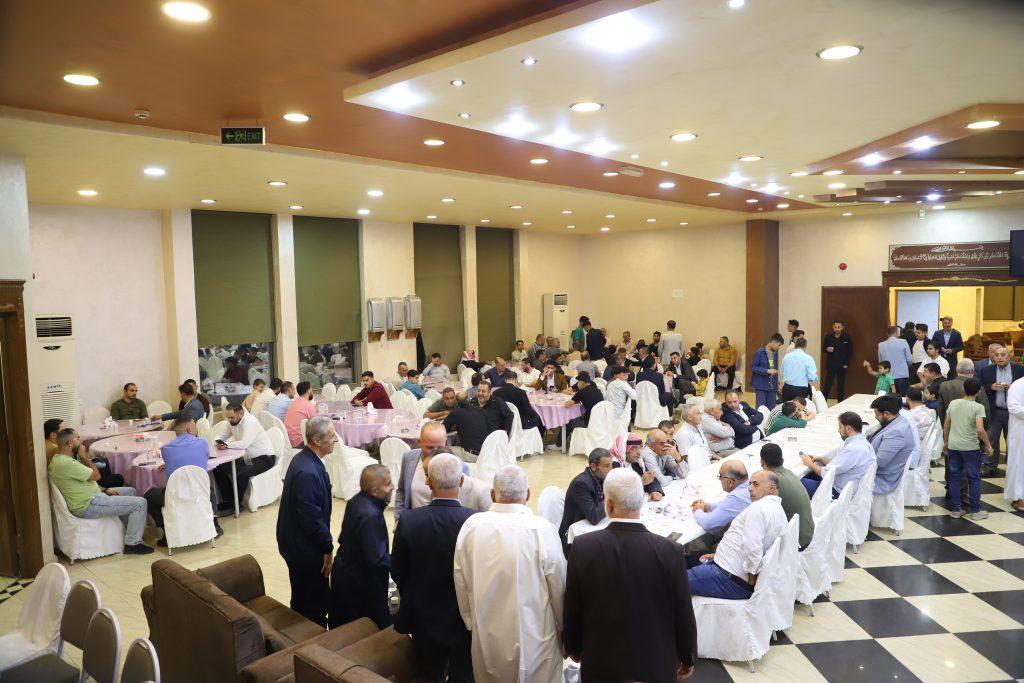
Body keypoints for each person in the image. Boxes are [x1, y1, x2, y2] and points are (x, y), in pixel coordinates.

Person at [564, 468, 697, 683]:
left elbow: (573, 604)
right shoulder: (669, 550)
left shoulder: (583, 546)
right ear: (641, 502)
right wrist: (687, 655)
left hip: (602, 661)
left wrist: (573, 645)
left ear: (608, 505)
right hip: (655, 662)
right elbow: (683, 610)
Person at [453, 465, 566, 683]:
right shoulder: (541, 529)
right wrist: (565, 628)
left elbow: (461, 580)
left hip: (487, 635)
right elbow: (559, 586)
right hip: (536, 637)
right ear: (528, 494)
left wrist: (470, 623)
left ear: (492, 494)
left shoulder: (471, 527)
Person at [392, 453, 477, 682]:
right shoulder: (475, 521)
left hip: (423, 614)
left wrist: (414, 591)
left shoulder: (409, 520)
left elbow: (397, 569)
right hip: (464, 618)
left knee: (428, 674)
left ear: (428, 481)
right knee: (464, 675)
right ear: (461, 480)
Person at [48, 427, 153, 554]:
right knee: (140, 503)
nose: (81, 441)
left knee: (130, 491)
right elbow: (97, 476)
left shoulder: (59, 459)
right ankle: (132, 544)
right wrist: (84, 456)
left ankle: (129, 533)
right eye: (78, 438)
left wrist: (105, 490)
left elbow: (86, 481)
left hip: (92, 496)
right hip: (88, 504)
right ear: (70, 443)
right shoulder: (67, 464)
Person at [687, 470, 787, 599]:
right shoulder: (778, 510)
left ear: (772, 489)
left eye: (755, 484)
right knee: (693, 564)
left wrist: (752, 577)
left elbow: (753, 548)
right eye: (750, 484)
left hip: (728, 578)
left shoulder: (758, 508)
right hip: (730, 568)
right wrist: (719, 555)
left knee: (671, 580)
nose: (750, 489)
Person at [278, 417, 334, 626]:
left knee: (303, 596)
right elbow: (311, 519)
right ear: (317, 440)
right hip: (304, 548)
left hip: (297, 542)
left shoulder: (304, 459)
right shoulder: (308, 472)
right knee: (312, 603)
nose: (336, 440)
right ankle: (312, 638)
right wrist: (327, 547)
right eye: (331, 436)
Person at [330, 464, 394, 629]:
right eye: (388, 484)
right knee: (369, 629)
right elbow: (376, 559)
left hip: (346, 572)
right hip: (359, 584)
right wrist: (404, 561)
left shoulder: (356, 501)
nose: (392, 487)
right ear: (374, 491)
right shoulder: (369, 515)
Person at [144, 417, 222, 545]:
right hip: (199, 494)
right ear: (190, 429)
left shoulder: (166, 449)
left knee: (149, 495)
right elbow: (203, 457)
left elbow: (176, 459)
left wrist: (169, 464)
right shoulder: (202, 444)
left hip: (176, 497)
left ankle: (166, 532)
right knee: (209, 490)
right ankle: (215, 525)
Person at [212, 402, 276, 515]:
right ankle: (229, 501)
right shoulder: (231, 421)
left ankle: (236, 504)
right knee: (218, 467)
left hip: (265, 458)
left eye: (231, 417)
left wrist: (226, 445)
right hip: (247, 457)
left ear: (241, 414)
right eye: (228, 417)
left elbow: (244, 444)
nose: (229, 420)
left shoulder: (250, 422)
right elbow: (221, 436)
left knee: (242, 473)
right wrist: (217, 441)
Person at [395, 422, 470, 518]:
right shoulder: (409, 458)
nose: (435, 451)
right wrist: (398, 518)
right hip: (413, 521)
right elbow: (401, 491)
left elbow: (466, 500)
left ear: (446, 442)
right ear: (419, 442)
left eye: (440, 447)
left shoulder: (458, 465)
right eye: (429, 447)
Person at [943, 378, 994, 520]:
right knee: (974, 478)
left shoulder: (953, 403)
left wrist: (946, 442)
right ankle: (975, 511)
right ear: (979, 391)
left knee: (954, 477)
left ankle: (956, 510)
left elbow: (947, 425)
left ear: (963, 389)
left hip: (953, 445)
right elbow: (980, 429)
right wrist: (988, 445)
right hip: (970, 447)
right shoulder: (978, 407)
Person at [801, 412, 878, 498]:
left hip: (837, 493)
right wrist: (821, 459)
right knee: (810, 475)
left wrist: (809, 464)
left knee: (798, 482)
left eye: (840, 427)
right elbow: (842, 465)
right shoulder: (863, 443)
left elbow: (827, 473)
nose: (838, 430)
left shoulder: (853, 449)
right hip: (847, 487)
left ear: (848, 428)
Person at [558, 448, 613, 555]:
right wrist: (611, 496)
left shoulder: (601, 477)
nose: (611, 469)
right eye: (607, 466)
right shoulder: (581, 484)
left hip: (591, 532)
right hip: (574, 540)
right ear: (593, 466)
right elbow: (594, 517)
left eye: (611, 465)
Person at [979, 345, 1024, 476]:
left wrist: (1014, 388)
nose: (999, 357)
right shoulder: (986, 370)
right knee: (991, 439)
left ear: (1009, 356)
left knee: (1013, 439)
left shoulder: (1020, 370)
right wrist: (991, 387)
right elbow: (980, 388)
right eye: (997, 355)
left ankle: (1013, 466)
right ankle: (989, 466)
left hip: (1014, 413)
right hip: (994, 410)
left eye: (1003, 355)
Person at [759, 443, 814, 549]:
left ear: (761, 461)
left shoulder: (771, 484)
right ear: (782, 460)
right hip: (808, 533)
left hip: (794, 543)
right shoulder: (790, 473)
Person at [869, 394, 918, 494]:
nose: (875, 417)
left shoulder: (896, 433)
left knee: (840, 478)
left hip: (881, 478)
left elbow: (879, 463)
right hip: (884, 471)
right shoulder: (899, 420)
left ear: (886, 414)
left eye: (877, 414)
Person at [691, 460, 750, 537]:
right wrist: (708, 506)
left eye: (720, 476)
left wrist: (698, 510)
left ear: (730, 482)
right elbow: (728, 507)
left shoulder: (736, 497)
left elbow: (708, 524)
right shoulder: (750, 486)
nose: (720, 480)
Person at [611, 432, 664, 500]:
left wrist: (655, 491)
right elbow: (618, 492)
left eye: (640, 447)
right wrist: (640, 482)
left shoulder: (635, 461)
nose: (639, 452)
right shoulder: (612, 465)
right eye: (634, 448)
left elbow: (651, 479)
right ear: (623, 448)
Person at [938, 359, 990, 427]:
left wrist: (944, 426)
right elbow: (985, 410)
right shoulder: (976, 386)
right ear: (972, 371)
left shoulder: (944, 386)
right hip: (970, 428)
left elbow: (941, 410)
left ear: (956, 370)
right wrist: (985, 427)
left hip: (950, 426)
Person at [561, 371, 603, 448]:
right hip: (600, 419)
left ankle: (559, 445)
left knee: (567, 423)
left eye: (578, 382)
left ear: (581, 382)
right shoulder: (597, 390)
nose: (577, 384)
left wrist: (575, 397)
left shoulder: (582, 391)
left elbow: (567, 405)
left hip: (589, 421)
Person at [1005, 376, 1024, 511]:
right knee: (1019, 464)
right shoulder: (1018, 385)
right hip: (1020, 432)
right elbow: (1013, 407)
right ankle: (1018, 497)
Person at [822, 320, 853, 401]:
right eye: (835, 327)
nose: (837, 329)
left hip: (842, 366)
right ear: (833, 327)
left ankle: (840, 403)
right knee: (827, 385)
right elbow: (824, 349)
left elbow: (850, 351)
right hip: (831, 365)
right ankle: (823, 403)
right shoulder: (828, 336)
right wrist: (827, 349)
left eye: (839, 327)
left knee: (841, 386)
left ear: (842, 327)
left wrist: (847, 364)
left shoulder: (847, 337)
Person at [878, 325, 914, 395]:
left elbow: (881, 362)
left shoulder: (881, 345)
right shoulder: (903, 342)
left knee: (888, 399)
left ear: (887, 334)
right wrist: (904, 367)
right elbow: (909, 360)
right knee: (904, 398)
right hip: (902, 376)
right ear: (897, 333)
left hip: (887, 378)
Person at [284, 381, 318, 447]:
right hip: (299, 442)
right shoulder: (308, 405)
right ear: (308, 390)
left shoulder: (293, 403)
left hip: (288, 440)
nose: (312, 391)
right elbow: (316, 425)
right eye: (311, 389)